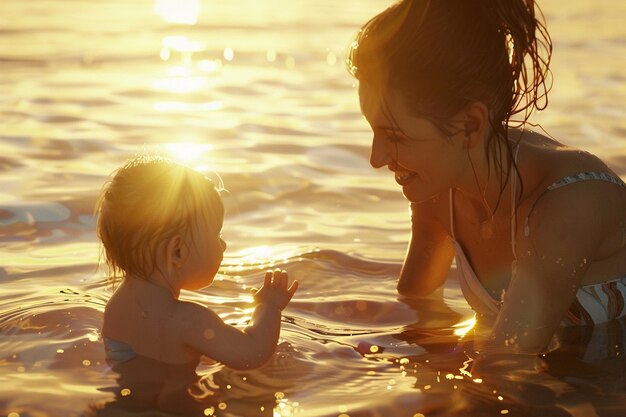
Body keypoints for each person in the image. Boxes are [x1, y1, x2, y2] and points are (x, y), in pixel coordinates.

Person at [347, 0, 626, 354]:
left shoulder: (565, 208)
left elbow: (507, 366)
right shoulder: (438, 190)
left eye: (396, 137)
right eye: (374, 132)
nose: (376, 158)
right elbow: (418, 313)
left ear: (471, 124)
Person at [96, 156, 298, 371]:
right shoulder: (190, 320)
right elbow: (251, 353)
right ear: (177, 251)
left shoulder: (116, 305)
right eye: (216, 234)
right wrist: (268, 308)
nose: (223, 245)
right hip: (174, 405)